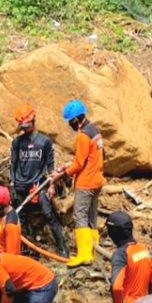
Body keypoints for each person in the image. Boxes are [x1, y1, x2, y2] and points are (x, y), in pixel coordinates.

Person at [50, 100, 104, 268]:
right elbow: (89, 158)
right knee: (91, 217)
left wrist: (61, 174)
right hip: (97, 180)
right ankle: (93, 252)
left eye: (70, 121)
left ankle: (84, 255)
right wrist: (69, 164)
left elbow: (79, 164)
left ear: (75, 119)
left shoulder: (82, 136)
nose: (70, 124)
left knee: (80, 216)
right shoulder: (94, 130)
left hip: (86, 183)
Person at [9, 104, 68, 257]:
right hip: (20, 185)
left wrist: (51, 185)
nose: (25, 129)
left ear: (33, 120)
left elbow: (50, 166)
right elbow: (13, 164)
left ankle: (63, 248)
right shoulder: (17, 142)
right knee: (20, 218)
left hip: (38, 185)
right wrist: (12, 185)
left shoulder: (44, 141)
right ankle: (27, 247)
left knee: (48, 214)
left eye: (27, 125)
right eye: (23, 126)